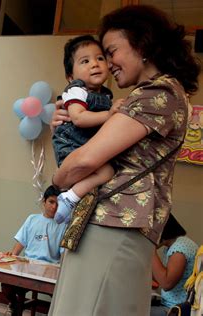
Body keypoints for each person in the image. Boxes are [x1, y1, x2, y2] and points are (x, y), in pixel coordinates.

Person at [49, 5, 200, 315]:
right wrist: (66, 129)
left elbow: (84, 161)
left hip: (115, 224)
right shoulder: (149, 95)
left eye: (111, 51)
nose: (107, 63)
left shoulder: (158, 94)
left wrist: (57, 180)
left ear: (142, 45)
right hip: (114, 224)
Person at [52, 35, 124, 224]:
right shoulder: (76, 90)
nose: (95, 64)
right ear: (70, 77)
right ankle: (69, 198)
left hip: (86, 146)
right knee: (107, 172)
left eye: (100, 58)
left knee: (103, 176)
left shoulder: (105, 95)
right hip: (72, 145)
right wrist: (109, 115)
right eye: (85, 61)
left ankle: (72, 204)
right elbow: (78, 118)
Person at [2, 185, 65, 315]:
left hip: (50, 269)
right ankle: (14, 305)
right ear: (44, 202)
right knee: (6, 284)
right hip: (27, 266)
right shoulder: (32, 219)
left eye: (58, 204)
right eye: (51, 202)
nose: (54, 207)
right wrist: (12, 256)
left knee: (61, 296)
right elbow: (20, 244)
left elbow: (64, 255)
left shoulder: (63, 225)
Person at [151, 214, 198, 316]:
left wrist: (150, 250)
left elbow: (166, 284)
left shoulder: (180, 248)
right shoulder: (171, 246)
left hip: (176, 309)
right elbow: (159, 278)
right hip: (168, 304)